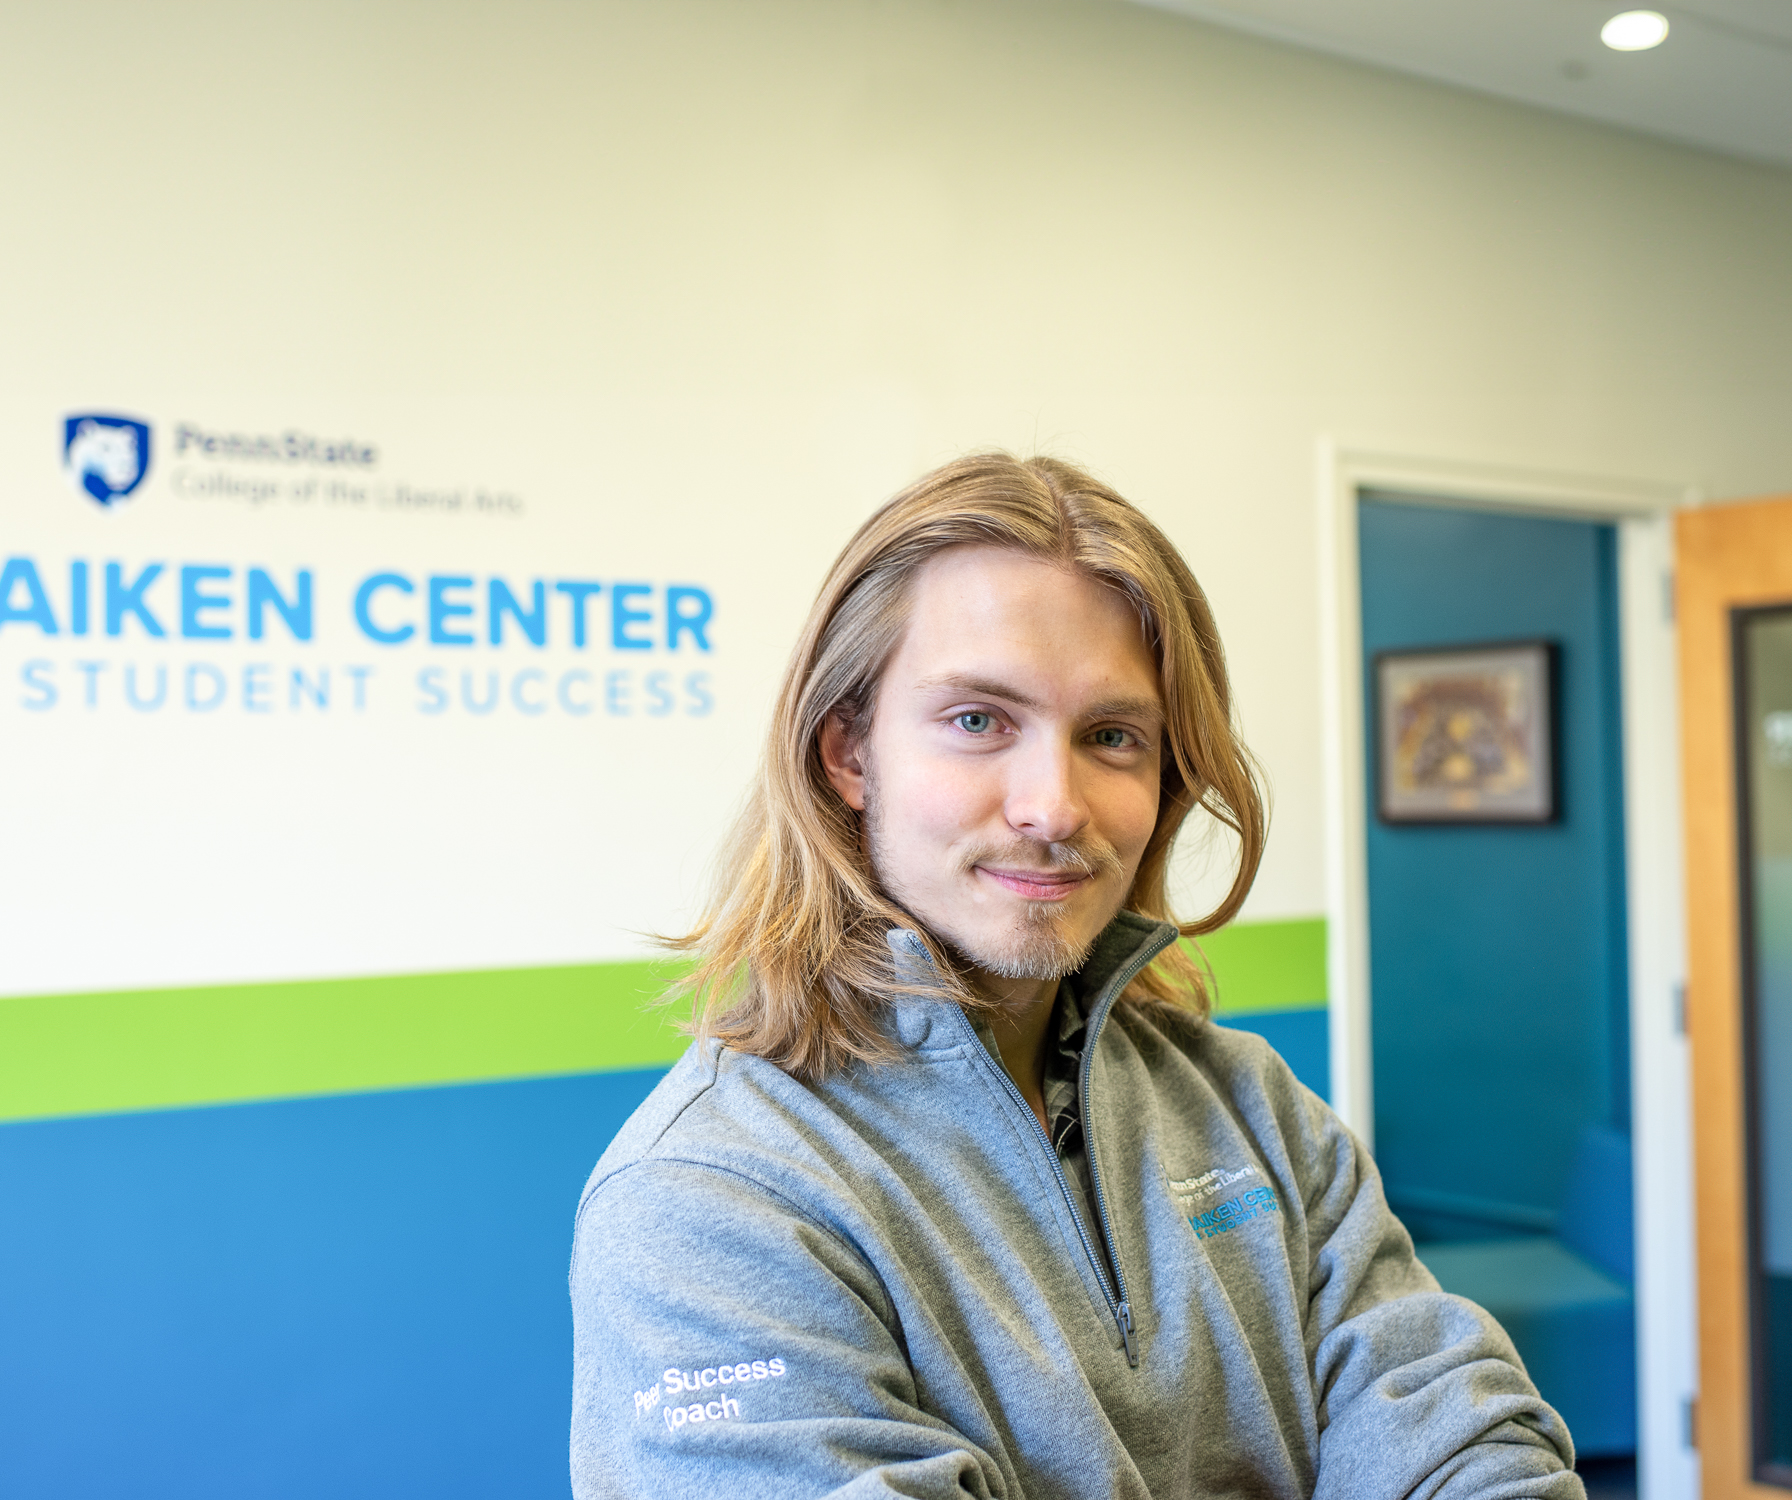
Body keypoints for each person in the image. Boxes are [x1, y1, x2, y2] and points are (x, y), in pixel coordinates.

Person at [569, 453, 1580, 1499]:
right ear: (848, 753)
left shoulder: (1250, 1110)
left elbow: (1463, 1444)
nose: (1053, 806)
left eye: (1110, 736)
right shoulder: (714, 1200)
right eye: (976, 721)